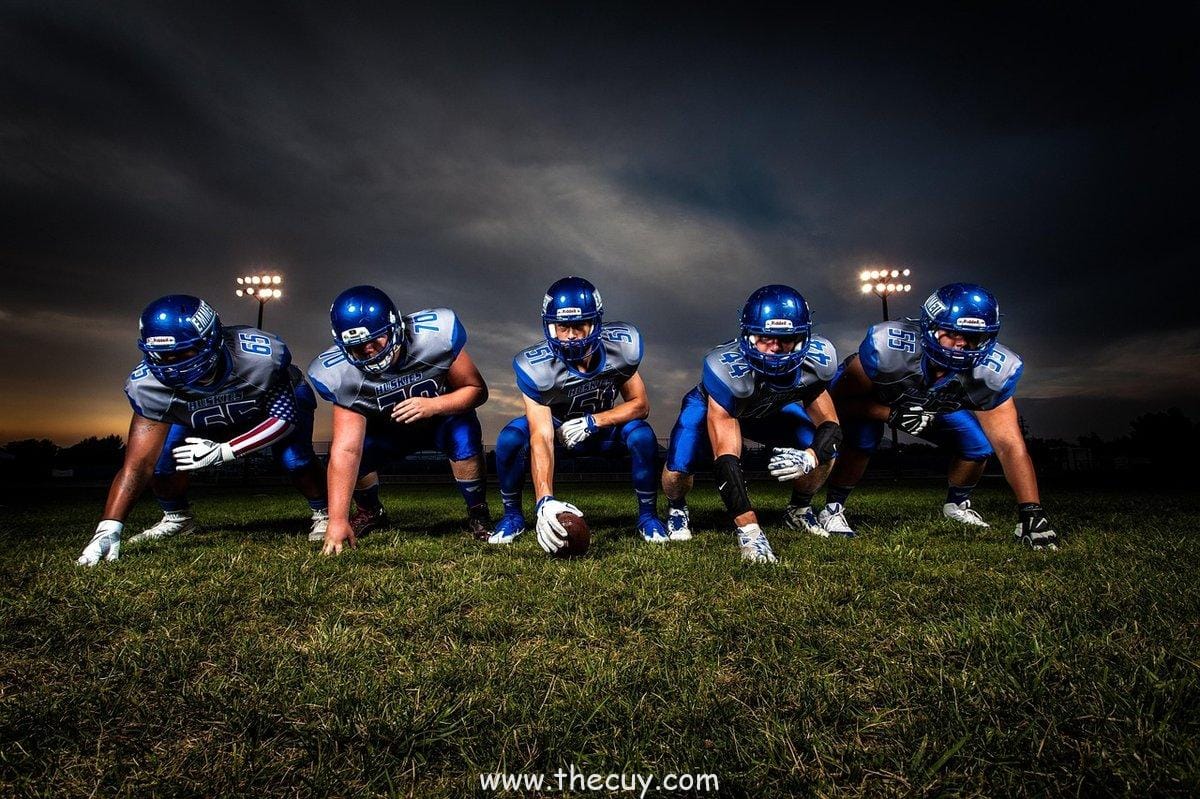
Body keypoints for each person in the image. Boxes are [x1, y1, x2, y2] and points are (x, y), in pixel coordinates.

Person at [77, 295, 328, 565]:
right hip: (200, 416)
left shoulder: (259, 357)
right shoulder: (148, 387)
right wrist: (109, 527)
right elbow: (138, 466)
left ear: (212, 339)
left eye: (184, 352)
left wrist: (225, 451)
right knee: (163, 462)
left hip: (265, 406)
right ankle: (177, 518)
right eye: (163, 355)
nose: (173, 364)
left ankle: (324, 512)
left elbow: (284, 420)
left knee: (295, 458)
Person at [819, 282, 1059, 549]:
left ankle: (956, 504)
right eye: (952, 332)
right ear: (929, 327)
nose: (961, 344)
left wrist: (1031, 511)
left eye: (972, 337)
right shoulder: (888, 349)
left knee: (977, 446)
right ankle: (833, 507)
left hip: (933, 405)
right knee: (864, 440)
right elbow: (837, 404)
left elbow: (1010, 445)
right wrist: (890, 414)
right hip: (876, 400)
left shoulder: (993, 372)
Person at [660, 285, 842, 563]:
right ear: (747, 335)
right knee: (678, 466)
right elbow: (727, 459)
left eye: (787, 339)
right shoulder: (724, 369)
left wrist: (811, 456)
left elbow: (831, 425)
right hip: (719, 406)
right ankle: (676, 508)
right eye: (765, 338)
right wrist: (750, 530)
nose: (775, 348)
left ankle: (798, 510)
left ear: (803, 337)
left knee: (826, 450)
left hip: (769, 410)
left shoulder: (818, 361)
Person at [488, 276, 669, 553]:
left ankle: (647, 516)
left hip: (601, 427)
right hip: (557, 429)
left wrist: (594, 421)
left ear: (594, 324)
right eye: (563, 327)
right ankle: (513, 515)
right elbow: (541, 434)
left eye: (578, 326)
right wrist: (545, 500)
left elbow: (640, 405)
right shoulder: (536, 367)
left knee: (642, 435)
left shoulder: (619, 349)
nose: (570, 335)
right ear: (551, 326)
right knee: (510, 438)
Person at [307, 285, 491, 555]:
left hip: (440, 420)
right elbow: (346, 449)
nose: (369, 351)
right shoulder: (338, 374)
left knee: (464, 433)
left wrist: (434, 405)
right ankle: (370, 510)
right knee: (352, 454)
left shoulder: (436, 336)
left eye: (376, 340)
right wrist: (337, 520)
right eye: (358, 346)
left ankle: (477, 510)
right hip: (387, 430)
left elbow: (477, 391)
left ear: (395, 327)